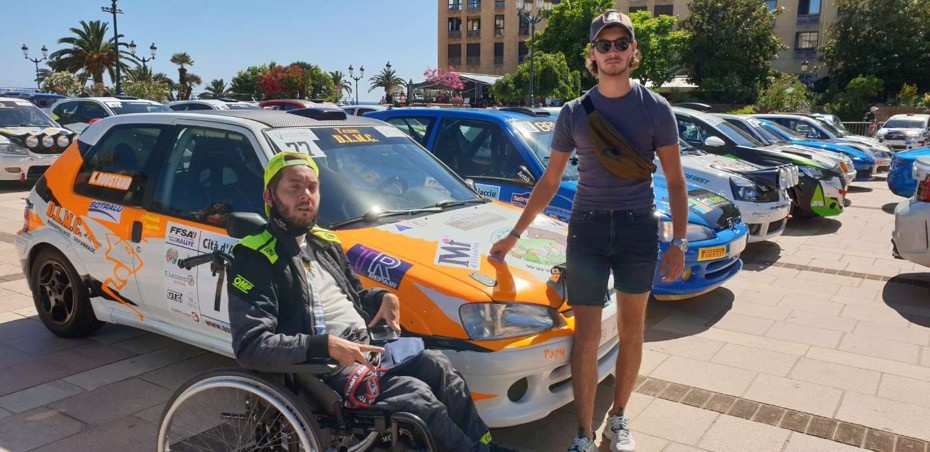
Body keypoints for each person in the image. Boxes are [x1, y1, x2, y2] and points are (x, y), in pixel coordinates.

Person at [489, 10, 688, 452]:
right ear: (592, 55)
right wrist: (514, 235)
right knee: (587, 334)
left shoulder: (656, 109)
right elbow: (550, 180)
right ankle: (582, 431)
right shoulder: (574, 112)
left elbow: (675, 179)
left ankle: (618, 418)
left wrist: (679, 241)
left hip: (639, 229)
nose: (613, 52)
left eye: (621, 44)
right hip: (588, 231)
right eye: (604, 45)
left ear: (634, 52)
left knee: (633, 331)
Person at [228, 152, 510, 452]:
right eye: (293, 187)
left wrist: (382, 298)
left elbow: (356, 297)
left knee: (440, 368)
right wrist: (326, 345)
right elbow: (251, 346)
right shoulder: (254, 257)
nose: (305, 195)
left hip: (366, 348)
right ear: (269, 196)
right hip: (324, 367)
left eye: (312, 187)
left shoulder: (325, 242)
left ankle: (485, 445)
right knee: (414, 396)